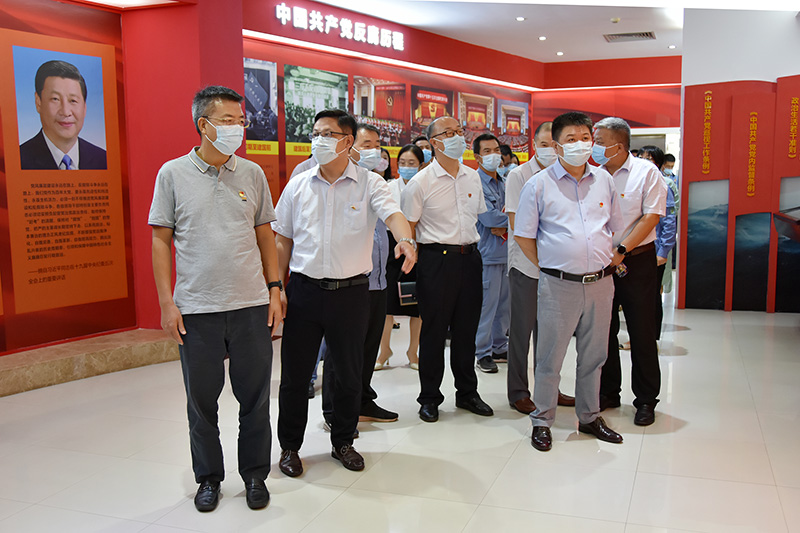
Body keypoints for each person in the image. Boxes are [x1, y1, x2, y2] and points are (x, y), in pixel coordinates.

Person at [148, 85, 280, 512]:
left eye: (240, 121)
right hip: (197, 309)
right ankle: (208, 478)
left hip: (250, 306)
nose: (237, 128)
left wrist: (275, 288)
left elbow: (265, 235)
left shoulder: (252, 174)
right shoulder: (172, 174)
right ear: (203, 125)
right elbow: (160, 241)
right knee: (201, 404)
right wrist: (167, 303)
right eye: (227, 121)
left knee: (255, 400)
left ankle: (255, 475)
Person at [273, 110, 416, 476]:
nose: (318, 140)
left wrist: (405, 239)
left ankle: (343, 441)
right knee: (295, 375)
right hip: (304, 291)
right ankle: (290, 447)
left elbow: (393, 215)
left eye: (327, 134)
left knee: (350, 374)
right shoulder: (298, 185)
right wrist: (276, 286)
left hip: (351, 293)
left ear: (347, 141)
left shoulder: (370, 183)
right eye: (315, 133)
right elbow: (282, 239)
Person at [514, 111, 625, 452]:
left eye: (585, 138)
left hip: (601, 283)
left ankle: (589, 416)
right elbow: (523, 236)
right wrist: (550, 266)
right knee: (550, 357)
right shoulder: (538, 184)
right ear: (557, 145)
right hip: (558, 284)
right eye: (571, 139)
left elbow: (614, 226)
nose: (580, 144)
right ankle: (542, 420)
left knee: (595, 355)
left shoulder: (604, 180)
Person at [401, 115, 494, 423]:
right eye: (448, 133)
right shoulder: (420, 182)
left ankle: (467, 392)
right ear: (434, 142)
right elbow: (408, 226)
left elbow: (475, 217)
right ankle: (429, 397)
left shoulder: (472, 176)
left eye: (459, 131)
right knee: (434, 331)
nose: (457, 137)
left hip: (470, 258)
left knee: (467, 330)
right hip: (435, 260)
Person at [319, 123, 400, 429]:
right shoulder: (333, 181)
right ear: (349, 144)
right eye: (367, 144)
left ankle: (362, 401)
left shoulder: (375, 182)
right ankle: (333, 412)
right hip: (347, 281)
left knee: (368, 347)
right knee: (341, 352)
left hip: (376, 279)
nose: (375, 150)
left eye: (377, 144)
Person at [593, 118, 667, 427]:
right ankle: (609, 391)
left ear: (619, 145)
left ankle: (646, 399)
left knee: (641, 329)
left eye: (599, 142)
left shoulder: (646, 173)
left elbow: (651, 217)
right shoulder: (593, 174)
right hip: (599, 263)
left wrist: (621, 250)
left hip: (635, 260)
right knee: (603, 330)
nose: (593, 147)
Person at [505, 121, 575, 414]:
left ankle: (549, 389)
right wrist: (543, 256)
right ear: (534, 145)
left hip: (557, 268)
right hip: (527, 266)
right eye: (542, 145)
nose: (548, 150)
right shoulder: (519, 175)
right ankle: (518, 392)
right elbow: (515, 223)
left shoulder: (565, 175)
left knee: (550, 335)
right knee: (521, 333)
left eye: (552, 145)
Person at [377, 144, 424, 370]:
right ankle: (384, 350)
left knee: (418, 304)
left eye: (411, 163)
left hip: (419, 246)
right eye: (402, 163)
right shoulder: (388, 187)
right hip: (391, 248)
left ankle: (413, 352)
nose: (406, 167)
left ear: (421, 165)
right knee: (386, 304)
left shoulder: (424, 186)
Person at [20, 60, 107, 170]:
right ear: (38, 102)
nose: (66, 112)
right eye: (55, 99)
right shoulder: (19, 160)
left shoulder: (103, 160)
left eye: (73, 100)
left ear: (84, 107)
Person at [472, 133, 510, 374]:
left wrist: (508, 224)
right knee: (487, 306)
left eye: (496, 150)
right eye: (487, 151)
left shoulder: (504, 182)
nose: (494, 155)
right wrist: (513, 221)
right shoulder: (475, 183)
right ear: (477, 157)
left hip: (507, 253)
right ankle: (482, 351)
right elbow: (490, 219)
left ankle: (499, 346)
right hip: (487, 255)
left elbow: (517, 213)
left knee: (504, 306)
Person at [639, 146, 679, 342]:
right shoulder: (637, 183)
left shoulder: (664, 184)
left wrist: (663, 252)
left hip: (654, 251)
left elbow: (669, 222)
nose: (644, 162)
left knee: (652, 296)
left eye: (649, 159)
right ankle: (641, 337)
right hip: (636, 250)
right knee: (640, 298)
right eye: (641, 157)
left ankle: (651, 339)